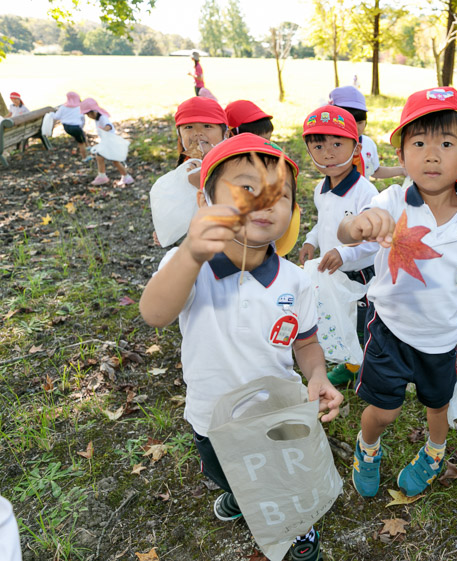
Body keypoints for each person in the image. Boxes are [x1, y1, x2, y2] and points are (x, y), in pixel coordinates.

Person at [139, 133, 342, 561]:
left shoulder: (295, 281)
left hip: (277, 413)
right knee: (223, 469)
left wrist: (318, 374)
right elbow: (155, 313)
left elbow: (306, 342)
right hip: (212, 417)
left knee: (288, 478)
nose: (264, 202)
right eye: (246, 187)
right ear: (205, 203)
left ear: (293, 211)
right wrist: (191, 253)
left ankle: (299, 528)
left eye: (280, 194)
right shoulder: (187, 267)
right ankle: (242, 494)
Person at [338, 87, 457, 497]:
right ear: (401, 154)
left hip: (441, 339)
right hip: (389, 330)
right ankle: (367, 447)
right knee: (384, 412)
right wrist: (358, 225)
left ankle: (434, 452)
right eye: (419, 143)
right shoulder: (391, 202)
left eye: (446, 144)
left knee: (437, 407)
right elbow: (348, 230)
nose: (432, 155)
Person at [297, 105, 379, 385]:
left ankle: (370, 369)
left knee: (363, 322)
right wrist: (310, 240)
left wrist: (345, 252)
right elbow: (324, 223)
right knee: (340, 317)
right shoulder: (320, 189)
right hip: (334, 271)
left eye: (337, 144)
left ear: (356, 149)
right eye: (318, 146)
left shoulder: (365, 192)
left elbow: (375, 240)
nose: (328, 153)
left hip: (361, 273)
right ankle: (350, 364)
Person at [150, 96, 229, 247]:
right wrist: (167, 229)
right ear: (179, 136)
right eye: (189, 127)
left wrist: (203, 181)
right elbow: (180, 204)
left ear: (225, 133)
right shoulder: (189, 165)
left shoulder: (232, 161)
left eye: (207, 126)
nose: (197, 133)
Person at [328, 86, 406, 181]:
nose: (356, 127)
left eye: (360, 122)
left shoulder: (368, 144)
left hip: (363, 191)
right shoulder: (329, 145)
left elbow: (375, 171)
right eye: (350, 122)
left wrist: (402, 171)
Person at [80, 97, 134, 186]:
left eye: (88, 114)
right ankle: (124, 177)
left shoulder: (102, 118)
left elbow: (109, 126)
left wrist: (104, 131)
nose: (88, 116)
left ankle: (104, 177)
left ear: (93, 111)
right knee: (107, 159)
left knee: (104, 158)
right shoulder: (98, 118)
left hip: (110, 142)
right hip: (107, 142)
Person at [51, 91, 88, 161]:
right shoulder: (79, 107)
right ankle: (85, 157)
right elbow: (82, 119)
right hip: (76, 127)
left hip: (66, 127)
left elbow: (56, 116)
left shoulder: (63, 107)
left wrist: (51, 114)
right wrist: (81, 127)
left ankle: (87, 149)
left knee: (81, 137)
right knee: (81, 142)